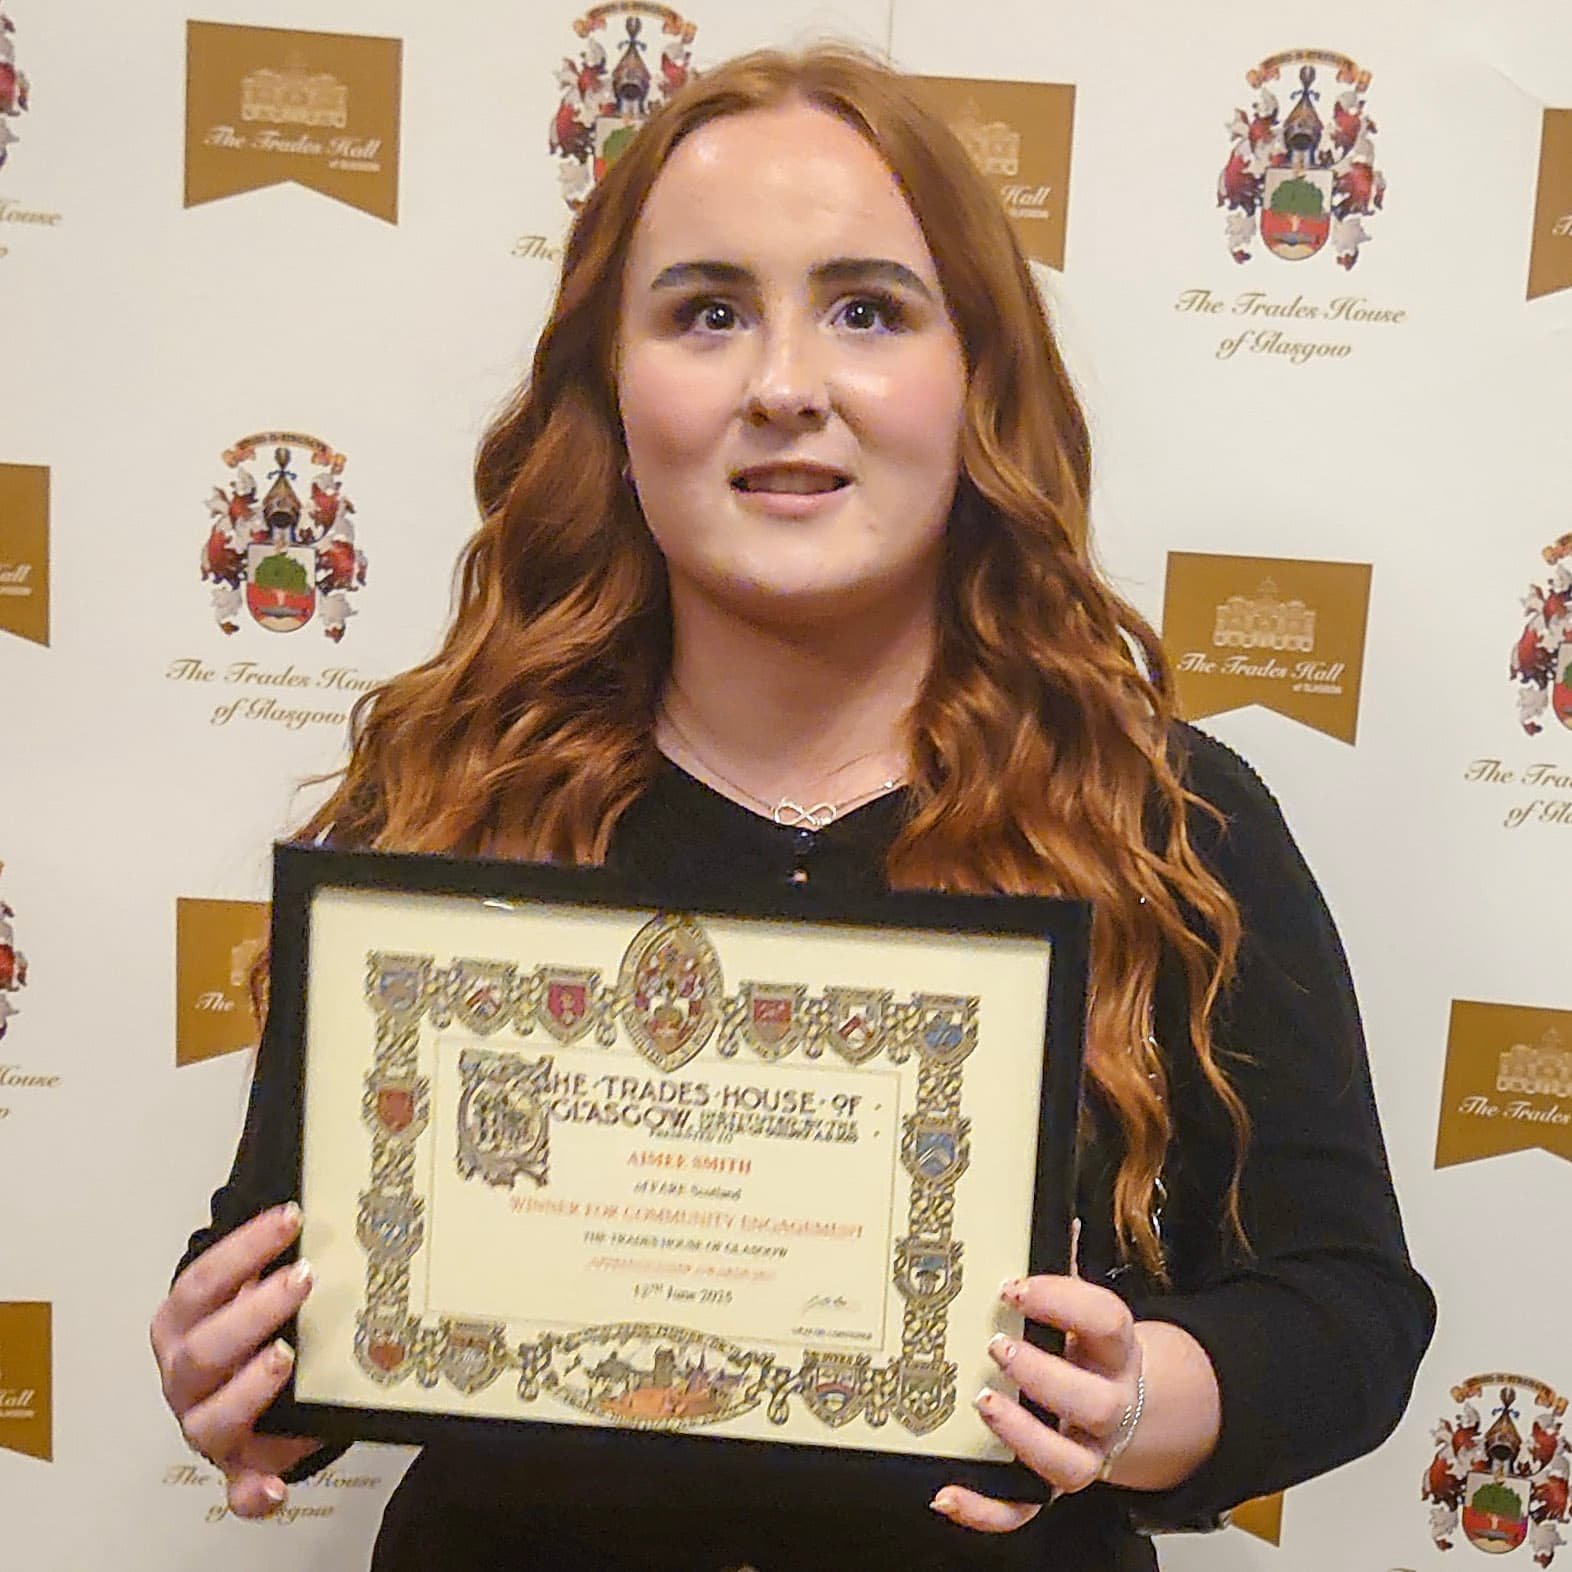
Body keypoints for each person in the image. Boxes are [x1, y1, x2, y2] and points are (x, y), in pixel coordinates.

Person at [149, 45, 1435, 1571]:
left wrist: (1142, 1394)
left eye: (866, 310)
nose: (781, 386)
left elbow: (1347, 1308)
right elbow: (292, 1272)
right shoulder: (450, 798)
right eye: (705, 313)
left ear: (978, 383)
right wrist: (248, 1374)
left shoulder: (1172, 821)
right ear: (607, 391)